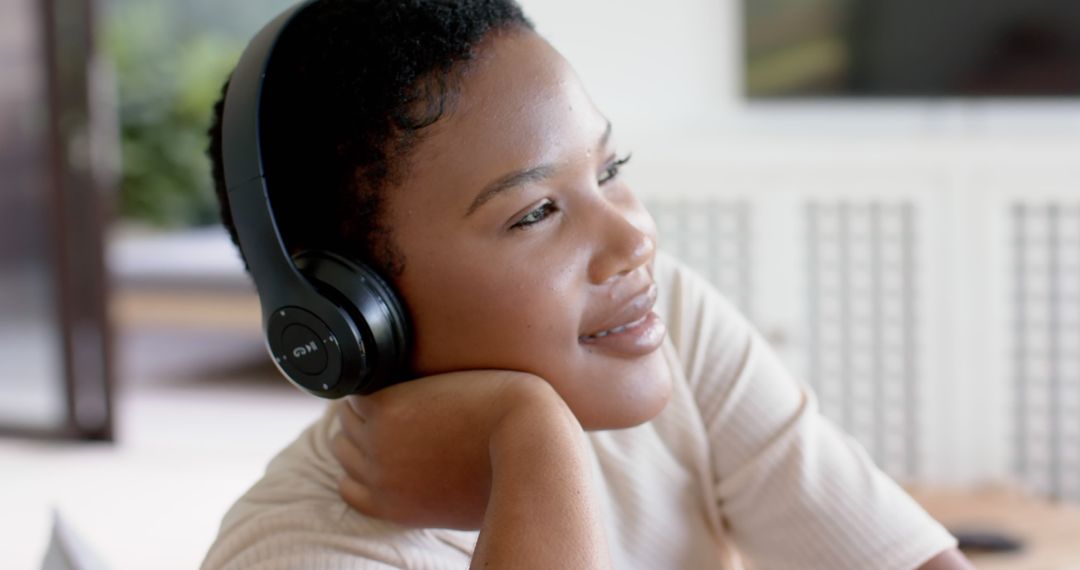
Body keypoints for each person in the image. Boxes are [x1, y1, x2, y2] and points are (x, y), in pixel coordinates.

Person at [201, 0, 974, 568]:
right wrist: (530, 444)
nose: (635, 238)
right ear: (347, 316)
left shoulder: (656, 320)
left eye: (610, 170)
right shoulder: (301, 555)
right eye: (536, 211)